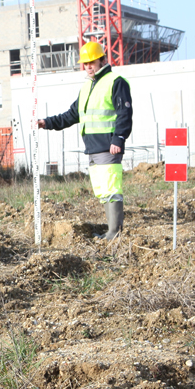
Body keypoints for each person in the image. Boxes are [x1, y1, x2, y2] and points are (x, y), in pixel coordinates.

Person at [37, 40, 132, 240]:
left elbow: (124, 114)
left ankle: (115, 232)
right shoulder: (87, 87)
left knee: (111, 188)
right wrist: (47, 122)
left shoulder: (116, 81)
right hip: (93, 148)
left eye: (92, 62)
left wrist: (119, 139)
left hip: (109, 147)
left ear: (102, 60)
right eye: (86, 63)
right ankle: (112, 231)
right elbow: (72, 115)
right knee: (103, 189)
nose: (88, 67)